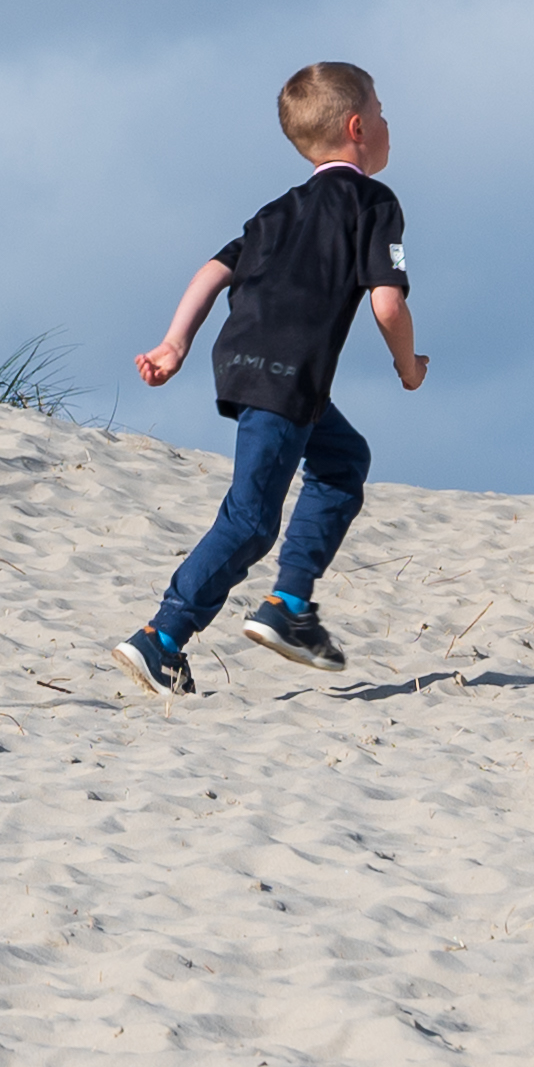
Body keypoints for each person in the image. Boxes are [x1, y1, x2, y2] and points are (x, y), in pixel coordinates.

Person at [119, 62, 422, 694]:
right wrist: (407, 366)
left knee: (341, 461)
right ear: (358, 126)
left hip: (242, 361)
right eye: (383, 110)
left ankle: (289, 606)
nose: (391, 122)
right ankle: (162, 636)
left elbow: (212, 271)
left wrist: (175, 343)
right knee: (252, 518)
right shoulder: (375, 202)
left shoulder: (278, 210)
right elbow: (388, 303)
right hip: (289, 375)